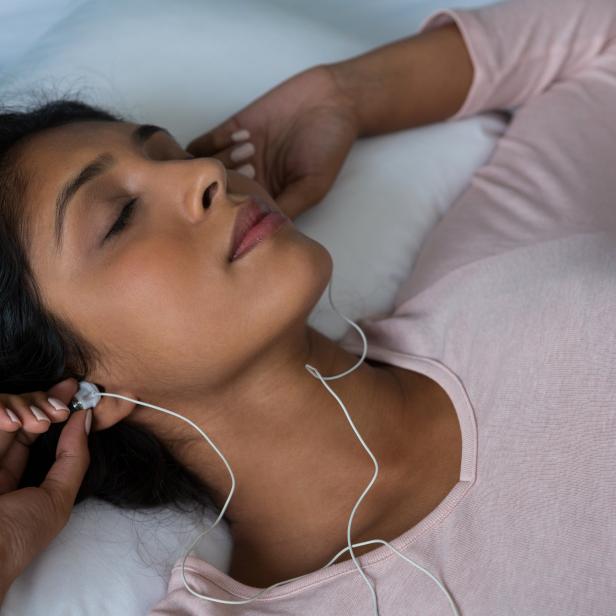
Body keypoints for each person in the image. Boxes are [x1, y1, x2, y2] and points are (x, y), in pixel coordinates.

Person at [1, 0, 615, 612]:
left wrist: (342, 93)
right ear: (76, 390)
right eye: (121, 218)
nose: (207, 173)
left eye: (177, 153)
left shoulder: (497, 272)